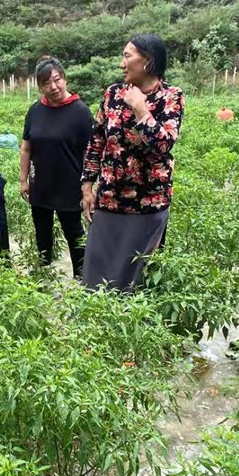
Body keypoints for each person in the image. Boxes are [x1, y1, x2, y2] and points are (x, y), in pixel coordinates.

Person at [81, 34, 185, 291]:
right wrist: (87, 186)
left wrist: (141, 109)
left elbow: (163, 145)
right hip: (109, 200)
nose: (122, 64)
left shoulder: (171, 97)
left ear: (147, 61)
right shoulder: (113, 94)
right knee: (98, 276)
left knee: (138, 280)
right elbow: (97, 141)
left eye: (127, 56)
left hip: (148, 204)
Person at [20, 55, 92, 279]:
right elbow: (26, 148)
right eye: (46, 83)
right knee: (42, 232)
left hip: (70, 186)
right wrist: (23, 180)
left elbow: (90, 153)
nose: (53, 87)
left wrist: (89, 186)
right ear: (40, 86)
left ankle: (82, 277)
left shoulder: (80, 112)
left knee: (74, 233)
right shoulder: (35, 110)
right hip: (40, 185)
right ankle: (43, 274)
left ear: (65, 78)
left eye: (56, 80)